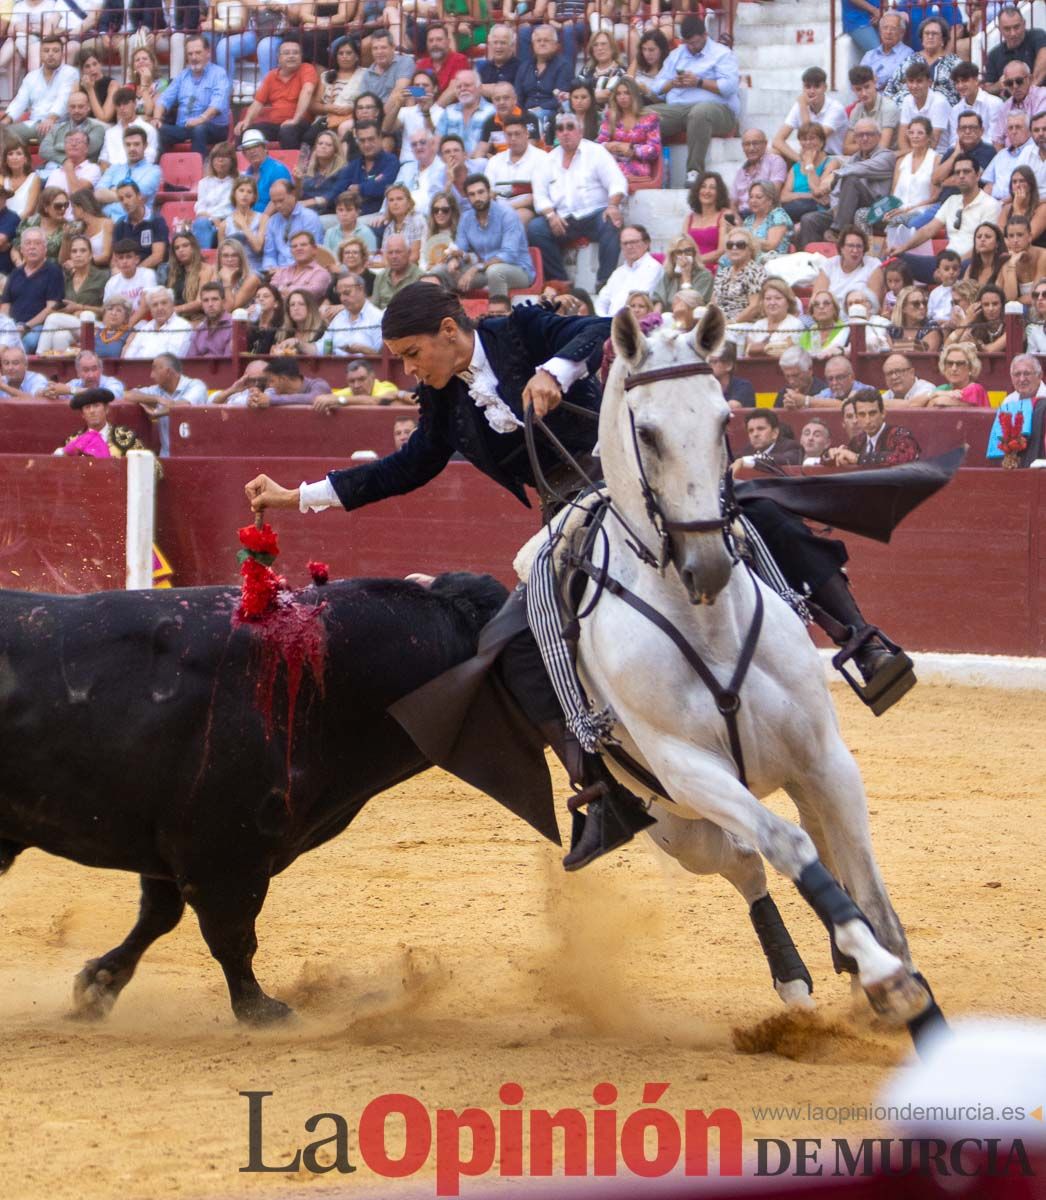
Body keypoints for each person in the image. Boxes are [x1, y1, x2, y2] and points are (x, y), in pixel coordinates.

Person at [244, 283, 918, 871]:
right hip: (567, 513)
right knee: (514, 640)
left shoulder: (521, 329)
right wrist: (297, 497)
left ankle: (858, 637)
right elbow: (401, 470)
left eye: (413, 354)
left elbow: (599, 327)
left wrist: (555, 372)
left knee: (759, 514)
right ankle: (597, 780)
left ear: (450, 332)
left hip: (637, 478)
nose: (410, 369)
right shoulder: (444, 404)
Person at [527, 111, 627, 290]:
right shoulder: (547, 160)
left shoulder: (596, 152)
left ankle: (605, 283)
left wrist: (612, 205)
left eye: (570, 127)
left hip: (595, 214)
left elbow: (617, 182)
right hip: (563, 218)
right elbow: (540, 196)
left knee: (613, 220)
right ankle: (561, 282)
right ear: (556, 134)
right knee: (536, 229)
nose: (565, 132)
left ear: (580, 131)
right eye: (560, 129)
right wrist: (550, 214)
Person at [647, 14, 739, 183]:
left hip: (718, 110)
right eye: (687, 43)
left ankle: (694, 173)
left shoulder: (721, 53)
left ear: (705, 35)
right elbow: (655, 89)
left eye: (695, 43)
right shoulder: (677, 55)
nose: (691, 47)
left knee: (699, 112)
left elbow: (729, 87)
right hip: (679, 109)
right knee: (643, 115)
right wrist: (672, 84)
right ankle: (642, 168)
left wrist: (699, 82)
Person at [893, 155, 1002, 284]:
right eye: (957, 173)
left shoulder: (990, 204)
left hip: (971, 263)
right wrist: (902, 248)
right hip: (946, 262)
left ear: (978, 175)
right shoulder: (951, 201)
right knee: (896, 260)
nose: (961, 176)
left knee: (962, 266)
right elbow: (928, 230)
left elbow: (983, 247)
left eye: (966, 172)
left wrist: (950, 268)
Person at [797, 119, 896, 247]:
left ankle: (838, 231)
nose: (864, 138)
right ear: (855, 138)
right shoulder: (854, 159)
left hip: (876, 208)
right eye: (860, 135)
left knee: (851, 179)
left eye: (869, 134)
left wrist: (835, 173)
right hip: (847, 211)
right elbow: (837, 191)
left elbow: (863, 168)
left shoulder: (886, 156)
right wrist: (835, 208)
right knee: (809, 219)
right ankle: (811, 260)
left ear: (879, 136)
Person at [434, 174, 534, 299]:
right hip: (484, 271)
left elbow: (509, 254)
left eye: (481, 192)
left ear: (489, 192)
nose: (477, 198)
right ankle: (445, 314)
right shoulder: (466, 218)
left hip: (518, 270)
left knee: (495, 272)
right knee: (438, 272)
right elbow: (461, 248)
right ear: (467, 197)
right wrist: (454, 260)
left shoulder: (507, 215)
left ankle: (498, 315)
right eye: (472, 194)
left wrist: (475, 268)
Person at [233, 38, 318, 150]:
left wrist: (295, 119)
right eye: (286, 53)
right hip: (275, 125)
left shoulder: (306, 69)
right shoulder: (271, 76)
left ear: (301, 57)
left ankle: (292, 166)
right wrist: (246, 121)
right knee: (246, 133)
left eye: (295, 53)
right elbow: (258, 103)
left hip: (300, 123)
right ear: (278, 58)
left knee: (287, 131)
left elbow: (307, 91)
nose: (291, 56)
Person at [155, 35, 232, 158]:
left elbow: (218, 103)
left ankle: (199, 171)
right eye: (190, 54)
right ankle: (161, 172)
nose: (194, 58)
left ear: (208, 53)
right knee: (158, 131)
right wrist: (157, 119)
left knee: (199, 129)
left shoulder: (218, 74)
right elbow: (164, 99)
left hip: (213, 127)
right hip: (185, 127)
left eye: (198, 53)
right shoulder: (182, 76)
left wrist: (201, 119)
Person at [0, 35, 79, 146]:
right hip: (33, 123)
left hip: (60, 124)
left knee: (49, 133)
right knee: (3, 133)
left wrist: (51, 119)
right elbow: (19, 102)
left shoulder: (70, 73)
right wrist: (5, 121)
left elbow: (63, 99)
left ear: (62, 54)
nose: (51, 54)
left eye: (55, 51)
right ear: (40, 54)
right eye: (46, 51)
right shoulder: (31, 77)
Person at [34, 233, 107, 353]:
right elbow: (59, 306)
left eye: (83, 251)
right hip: (71, 323)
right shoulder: (66, 279)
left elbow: (107, 310)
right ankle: (61, 369)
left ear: (90, 255)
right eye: (74, 251)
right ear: (70, 256)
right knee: (59, 336)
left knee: (54, 318)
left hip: (95, 325)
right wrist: (66, 309)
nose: (78, 255)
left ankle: (40, 355)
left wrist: (80, 307)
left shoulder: (102, 276)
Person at [1, 227, 64, 353]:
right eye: (28, 243)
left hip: (38, 327)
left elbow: (51, 308)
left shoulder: (53, 272)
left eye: (37, 243)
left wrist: (26, 326)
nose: (32, 247)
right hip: (12, 326)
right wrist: (9, 327)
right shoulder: (15, 274)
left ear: (45, 249)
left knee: (27, 343)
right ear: (22, 250)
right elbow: (5, 306)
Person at [827, 389, 922, 467]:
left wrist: (858, 458)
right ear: (856, 416)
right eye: (862, 414)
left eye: (872, 413)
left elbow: (906, 457)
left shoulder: (899, 434)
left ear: (883, 413)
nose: (867, 420)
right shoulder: (858, 440)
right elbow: (828, 460)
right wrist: (833, 455)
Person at [773, 66, 849, 163]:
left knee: (811, 151)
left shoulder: (836, 108)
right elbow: (777, 141)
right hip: (808, 154)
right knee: (773, 153)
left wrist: (803, 107)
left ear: (825, 87)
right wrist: (799, 159)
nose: (812, 91)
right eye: (808, 87)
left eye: (817, 86)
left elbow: (812, 139)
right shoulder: (800, 105)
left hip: (831, 158)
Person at [53, 388, 147, 460]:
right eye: (87, 407)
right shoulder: (73, 440)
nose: (92, 411)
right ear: (83, 414)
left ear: (106, 409)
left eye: (96, 406)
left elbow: (149, 466)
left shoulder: (124, 436)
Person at [987, 355, 1046, 465]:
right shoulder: (1009, 402)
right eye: (1017, 374)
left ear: (1040, 376)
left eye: (1027, 373)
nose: (1022, 379)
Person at [593, 224, 661, 317]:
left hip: (632, 324)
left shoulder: (653, 268)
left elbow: (639, 301)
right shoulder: (618, 272)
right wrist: (604, 318)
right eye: (625, 243)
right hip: (608, 322)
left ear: (646, 243)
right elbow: (602, 301)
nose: (629, 246)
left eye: (634, 242)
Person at [96, 129, 163, 222]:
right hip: (105, 221)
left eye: (136, 144)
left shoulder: (153, 170)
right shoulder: (114, 168)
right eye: (128, 144)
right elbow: (97, 194)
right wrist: (126, 195)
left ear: (145, 145)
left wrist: (111, 191)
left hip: (133, 223)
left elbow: (137, 197)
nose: (132, 148)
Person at [780, 123, 838, 227]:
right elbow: (783, 196)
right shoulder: (796, 167)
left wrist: (809, 165)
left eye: (812, 138)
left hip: (817, 209)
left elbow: (818, 192)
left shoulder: (831, 163)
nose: (807, 143)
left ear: (822, 141)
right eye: (803, 139)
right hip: (796, 207)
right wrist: (808, 195)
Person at [261, 179, 326, 272]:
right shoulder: (272, 221)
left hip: (304, 271)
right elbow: (269, 254)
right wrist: (270, 269)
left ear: (293, 194)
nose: (278, 206)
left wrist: (286, 272)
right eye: (274, 202)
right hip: (276, 273)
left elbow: (312, 252)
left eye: (281, 200)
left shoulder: (309, 217)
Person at [981, 5, 1046, 96]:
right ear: (999, 29)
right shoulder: (994, 55)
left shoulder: (1037, 36)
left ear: (1024, 24)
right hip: (1009, 105)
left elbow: (1043, 62)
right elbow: (987, 88)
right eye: (1007, 29)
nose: (1013, 33)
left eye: (1016, 27)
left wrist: (1028, 95)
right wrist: (999, 85)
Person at [514, 25, 573, 122]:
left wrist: (539, 108)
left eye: (546, 40)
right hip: (526, 112)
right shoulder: (524, 67)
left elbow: (560, 98)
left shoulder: (563, 66)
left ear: (555, 45)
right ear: (533, 44)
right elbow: (518, 96)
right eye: (538, 40)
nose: (542, 43)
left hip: (551, 113)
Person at [342, 121, 400, 217]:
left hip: (378, 215)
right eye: (362, 140)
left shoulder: (391, 161)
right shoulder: (354, 164)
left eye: (371, 139)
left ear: (380, 138)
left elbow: (384, 187)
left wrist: (360, 188)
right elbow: (340, 189)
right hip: (348, 214)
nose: (366, 145)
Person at [712, 228, 765, 329]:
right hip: (720, 323)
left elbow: (755, 307)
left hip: (743, 325)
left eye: (740, 245)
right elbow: (713, 303)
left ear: (751, 249)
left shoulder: (755, 271)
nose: (734, 248)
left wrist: (732, 322)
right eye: (730, 245)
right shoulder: (723, 273)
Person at [312, 356, 415, 410]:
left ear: (372, 377)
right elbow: (324, 399)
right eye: (351, 381)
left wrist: (339, 401)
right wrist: (323, 401)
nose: (356, 385)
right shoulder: (347, 392)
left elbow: (374, 401)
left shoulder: (385, 387)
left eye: (362, 379)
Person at [37, 89, 107, 166]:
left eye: (81, 107)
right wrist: (64, 160)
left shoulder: (97, 129)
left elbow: (87, 150)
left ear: (88, 107)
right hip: (55, 169)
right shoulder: (57, 128)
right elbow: (43, 150)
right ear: (68, 108)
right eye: (72, 107)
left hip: (83, 172)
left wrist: (56, 146)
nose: (76, 110)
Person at [111, 181, 168, 273]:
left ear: (139, 196)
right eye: (121, 199)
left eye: (129, 196)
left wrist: (135, 273)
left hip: (152, 271)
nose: (125, 202)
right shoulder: (120, 225)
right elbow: (115, 258)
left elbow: (158, 256)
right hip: (127, 272)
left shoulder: (156, 220)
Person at [741, 276, 804, 359]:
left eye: (778, 298)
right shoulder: (758, 325)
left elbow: (785, 351)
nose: (772, 303)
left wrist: (758, 348)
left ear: (788, 302)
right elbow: (748, 350)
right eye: (768, 299)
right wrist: (771, 348)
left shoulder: (795, 324)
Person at [123, 286, 194, 359]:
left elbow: (173, 359)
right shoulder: (145, 328)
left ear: (172, 305)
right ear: (150, 309)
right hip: (139, 369)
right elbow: (129, 357)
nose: (159, 308)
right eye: (155, 305)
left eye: (164, 303)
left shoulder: (182, 326)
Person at [730, 128, 787, 219]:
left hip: (763, 214)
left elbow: (773, 194)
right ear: (743, 147)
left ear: (765, 144)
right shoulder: (740, 171)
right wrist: (736, 219)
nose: (751, 148)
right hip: (741, 216)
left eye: (755, 143)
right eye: (747, 144)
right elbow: (733, 202)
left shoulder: (775, 161)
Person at [436, 69, 494, 157]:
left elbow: (493, 145)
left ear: (479, 88)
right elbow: (437, 141)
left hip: (479, 163)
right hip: (450, 162)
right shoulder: (449, 111)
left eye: (467, 85)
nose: (462, 89)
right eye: (459, 87)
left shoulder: (492, 111)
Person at [321, 273, 384, 354]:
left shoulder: (378, 318)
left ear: (361, 289)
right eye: (340, 294)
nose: (342, 298)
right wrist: (300, 344)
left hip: (365, 365)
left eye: (347, 293)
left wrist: (364, 350)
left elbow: (382, 359)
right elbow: (320, 347)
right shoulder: (338, 317)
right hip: (336, 364)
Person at [896, 60, 951, 151]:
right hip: (913, 152)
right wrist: (909, 157)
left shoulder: (939, 102)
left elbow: (933, 142)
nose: (914, 86)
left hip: (939, 153)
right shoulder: (907, 100)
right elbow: (902, 139)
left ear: (929, 82)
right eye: (911, 81)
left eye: (919, 81)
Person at [844, 66, 900, 153]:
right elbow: (846, 148)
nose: (864, 93)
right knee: (834, 161)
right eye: (858, 89)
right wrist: (870, 145)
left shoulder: (889, 107)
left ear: (875, 82)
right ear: (853, 89)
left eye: (867, 87)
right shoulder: (856, 110)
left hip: (886, 158)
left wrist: (861, 145)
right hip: (861, 157)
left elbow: (882, 147)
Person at [946, 61, 1003, 146]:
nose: (960, 86)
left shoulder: (994, 103)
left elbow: (994, 138)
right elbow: (954, 140)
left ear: (976, 81)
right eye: (957, 82)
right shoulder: (955, 110)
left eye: (964, 81)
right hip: (962, 153)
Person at [100, 87, 159, 169]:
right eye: (118, 105)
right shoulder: (110, 132)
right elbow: (103, 160)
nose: (122, 108)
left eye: (125, 103)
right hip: (111, 176)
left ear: (135, 104)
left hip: (137, 176)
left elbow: (149, 159)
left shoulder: (148, 129)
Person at [652, 237, 713, 312]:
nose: (684, 256)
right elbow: (659, 299)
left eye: (688, 251)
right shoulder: (669, 274)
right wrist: (655, 318)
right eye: (679, 252)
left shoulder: (704, 275)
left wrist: (686, 275)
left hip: (692, 317)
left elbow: (690, 303)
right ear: (673, 256)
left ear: (694, 254)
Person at [239, 129, 293, 214]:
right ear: (244, 154)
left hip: (273, 220)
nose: (252, 151)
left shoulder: (278, 170)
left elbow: (281, 201)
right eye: (248, 148)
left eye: (256, 146)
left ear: (265, 148)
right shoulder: (246, 175)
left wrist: (262, 219)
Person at [42, 349, 125, 403]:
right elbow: (57, 393)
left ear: (101, 370)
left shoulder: (113, 383)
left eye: (94, 369)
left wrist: (72, 390)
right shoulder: (74, 384)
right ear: (78, 373)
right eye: (85, 370)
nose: (91, 375)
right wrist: (51, 391)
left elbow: (108, 395)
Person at [859, 10, 913, 92]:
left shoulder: (908, 55)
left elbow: (899, 83)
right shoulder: (869, 55)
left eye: (893, 28)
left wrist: (873, 81)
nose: (888, 32)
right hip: (868, 99)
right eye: (885, 28)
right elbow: (858, 80)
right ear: (880, 31)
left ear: (902, 32)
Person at [270, 231, 333, 299]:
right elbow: (270, 291)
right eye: (294, 246)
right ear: (291, 251)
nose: (298, 248)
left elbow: (308, 293)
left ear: (314, 249)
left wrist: (281, 288)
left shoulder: (321, 273)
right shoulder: (282, 271)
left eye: (303, 245)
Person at [928, 342, 990, 408]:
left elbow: (937, 402)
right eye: (949, 363)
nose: (954, 368)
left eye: (960, 364)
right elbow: (918, 404)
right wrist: (936, 393)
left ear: (971, 368)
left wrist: (934, 396)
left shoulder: (975, 389)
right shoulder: (944, 388)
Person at [250, 356, 331, 407]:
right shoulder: (276, 392)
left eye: (272, 381)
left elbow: (314, 398)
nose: (270, 385)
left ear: (283, 379)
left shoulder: (319, 385)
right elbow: (264, 397)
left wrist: (272, 400)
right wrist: (255, 399)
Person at [734, 409, 802, 468]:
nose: (755, 434)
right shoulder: (747, 451)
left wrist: (753, 459)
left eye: (760, 429)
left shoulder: (791, 446)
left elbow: (787, 460)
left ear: (775, 433)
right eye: (751, 431)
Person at [886, 286, 943, 354]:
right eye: (916, 304)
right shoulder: (893, 330)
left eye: (924, 303)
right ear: (903, 308)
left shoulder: (931, 327)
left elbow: (925, 357)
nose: (922, 307)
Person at [372, 235, 424, 308]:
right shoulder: (381, 277)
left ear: (409, 253)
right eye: (390, 252)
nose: (394, 257)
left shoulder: (420, 278)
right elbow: (374, 307)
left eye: (398, 252)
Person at [186, 282, 234, 357]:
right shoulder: (199, 330)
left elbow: (228, 363)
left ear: (223, 302)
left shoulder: (234, 326)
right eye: (206, 300)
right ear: (202, 304)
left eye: (215, 299)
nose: (210, 304)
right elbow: (191, 362)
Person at [708, 340, 755, 409]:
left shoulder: (743, 386)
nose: (707, 366)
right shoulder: (703, 386)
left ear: (729, 365)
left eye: (713, 361)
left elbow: (733, 406)